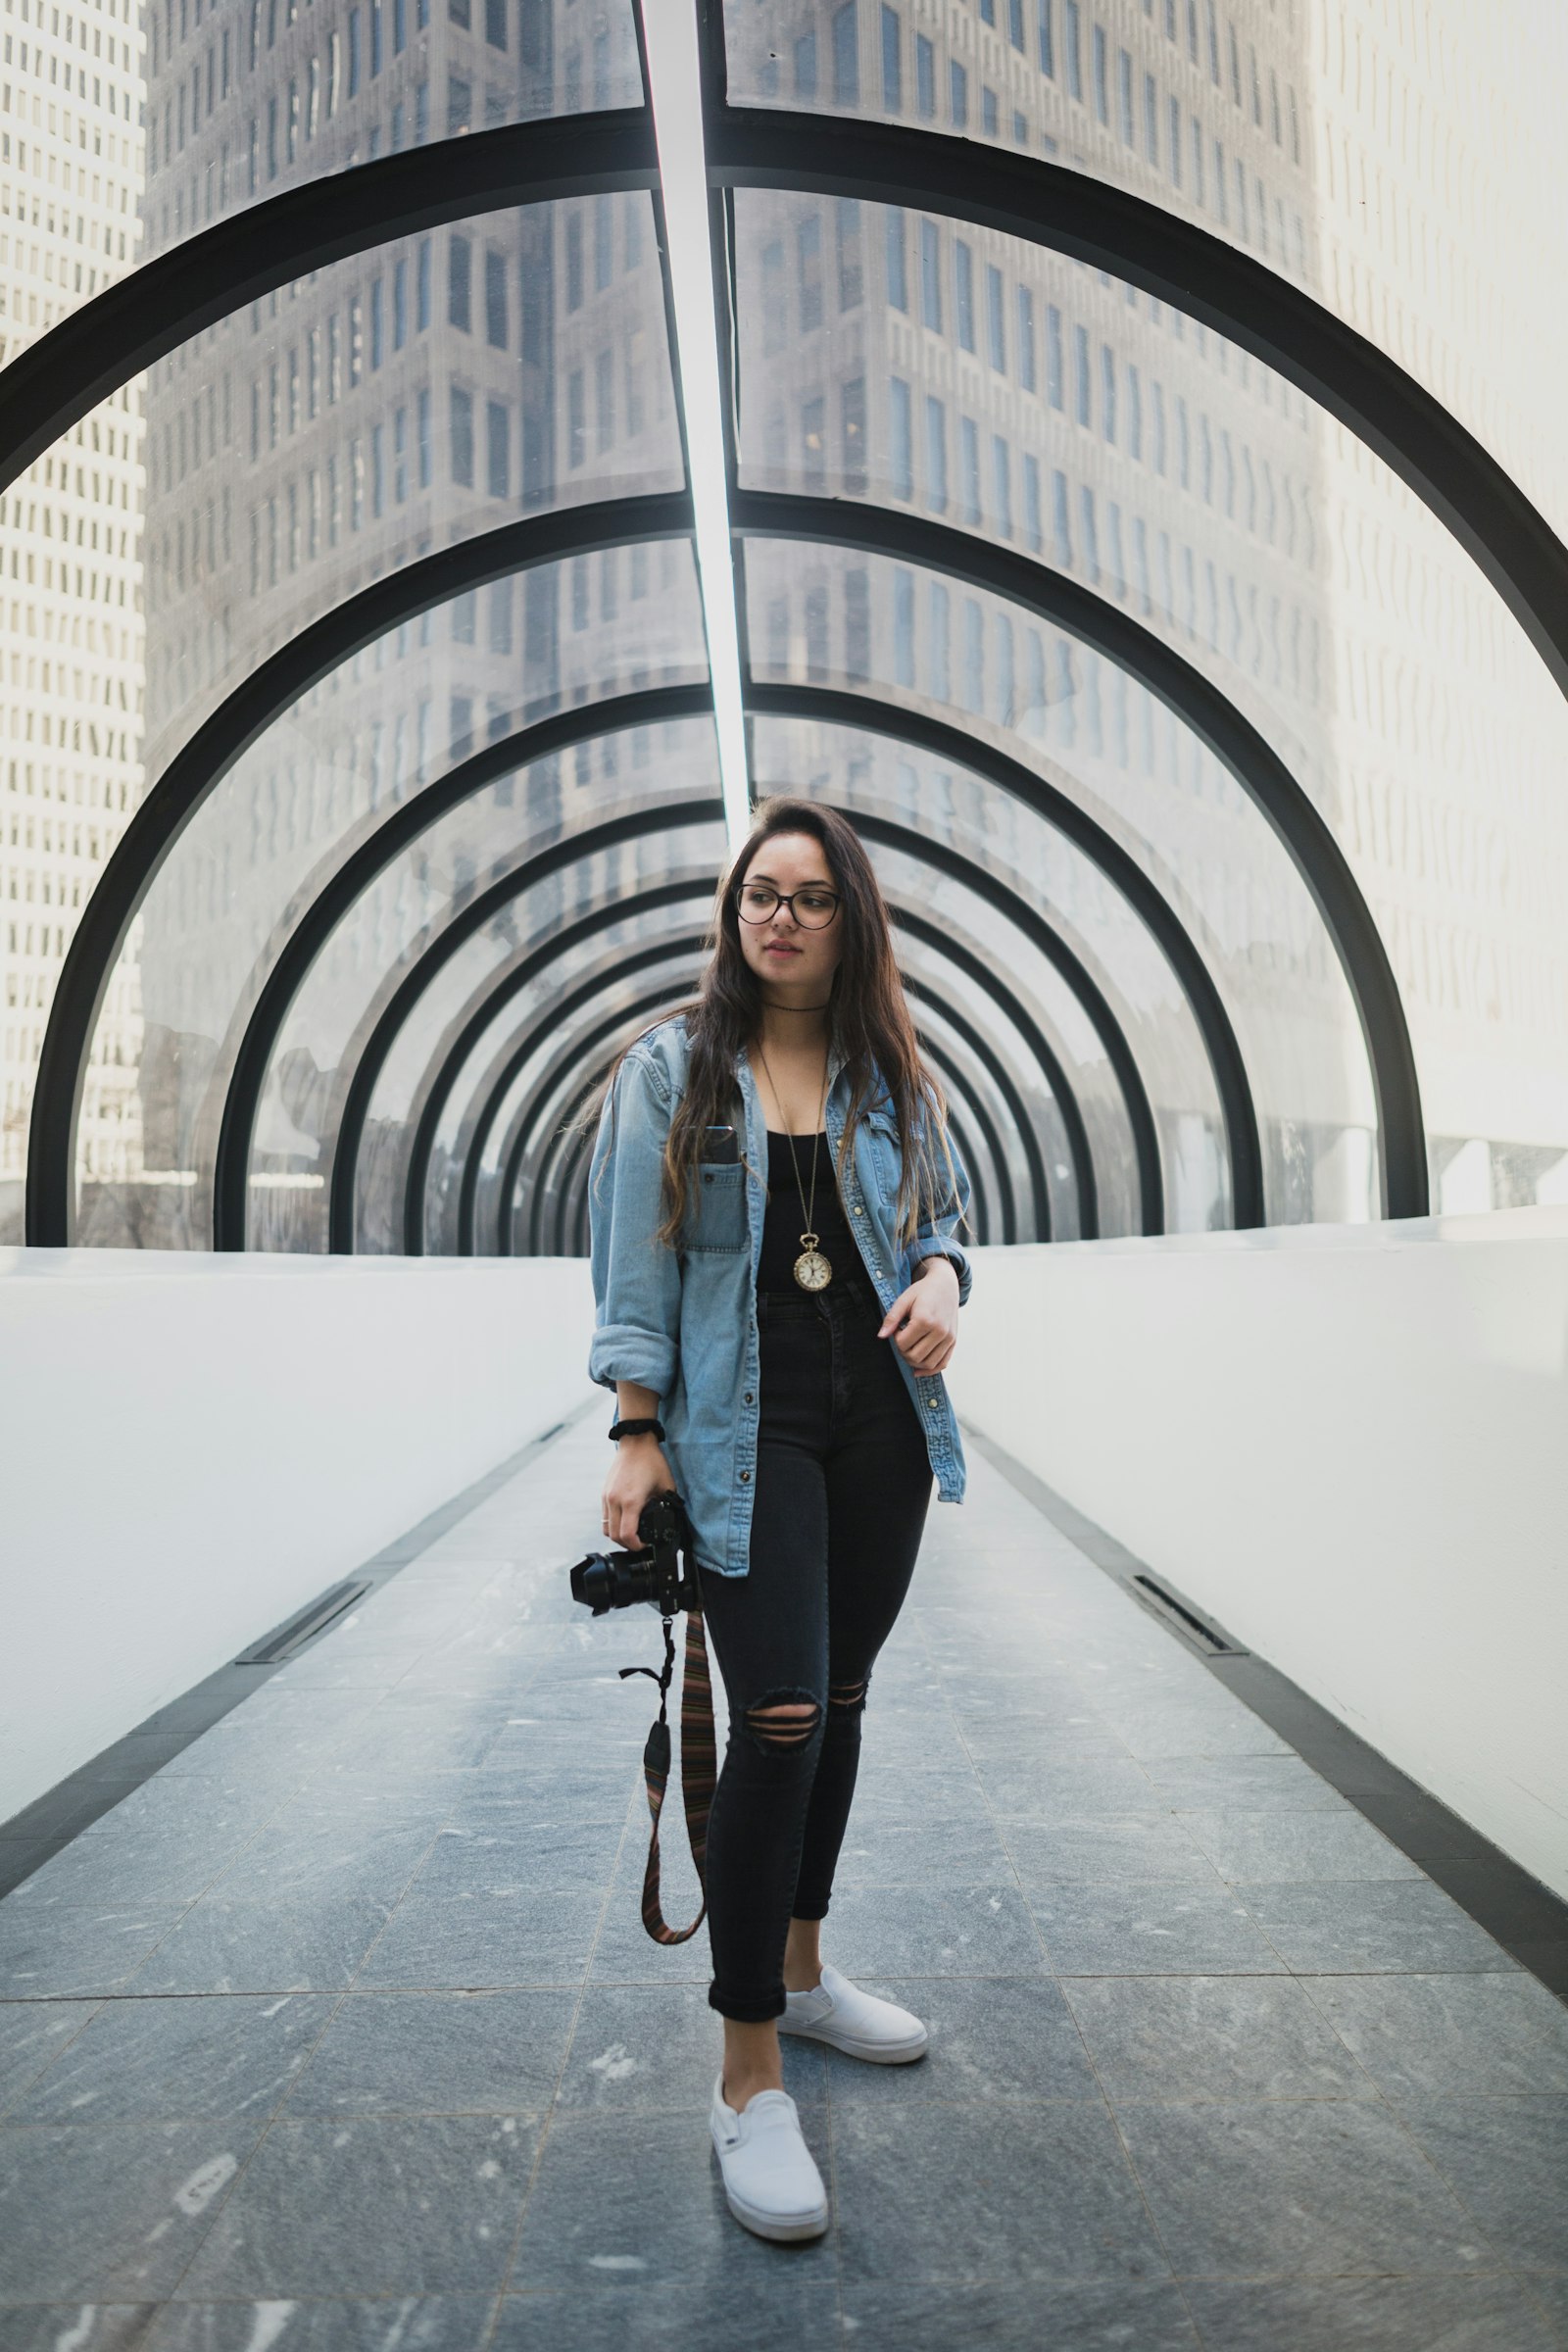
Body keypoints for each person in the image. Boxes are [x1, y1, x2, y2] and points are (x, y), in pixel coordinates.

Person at [584, 795, 973, 2243]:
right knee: (786, 1717)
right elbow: (635, 1262)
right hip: (744, 1431)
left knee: (848, 1695)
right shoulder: (672, 1072)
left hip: (882, 1418)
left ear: (847, 918)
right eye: (761, 892)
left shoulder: (891, 1073)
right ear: (732, 911)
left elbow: (940, 1223)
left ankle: (804, 1978)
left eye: (810, 896)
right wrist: (635, 1433)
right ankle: (747, 2071)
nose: (781, 916)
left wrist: (944, 1283)